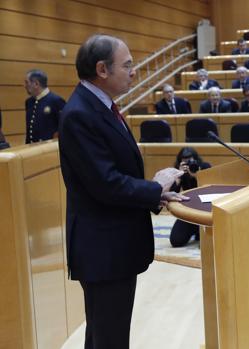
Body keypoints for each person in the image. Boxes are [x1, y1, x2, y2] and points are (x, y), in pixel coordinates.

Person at [58, 34, 187, 349]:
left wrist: (157, 194)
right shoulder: (80, 114)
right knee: (110, 338)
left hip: (111, 244)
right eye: (127, 65)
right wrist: (154, 186)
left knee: (103, 335)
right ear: (102, 70)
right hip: (103, 248)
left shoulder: (99, 105)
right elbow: (106, 183)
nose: (134, 71)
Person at [169, 147, 211, 247]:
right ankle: (196, 230)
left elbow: (211, 189)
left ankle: (199, 231)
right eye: (185, 162)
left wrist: (197, 176)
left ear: (196, 159)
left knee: (206, 245)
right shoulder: (180, 172)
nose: (189, 165)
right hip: (189, 211)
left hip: (205, 211)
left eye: (190, 161)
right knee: (176, 241)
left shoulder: (205, 167)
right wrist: (178, 176)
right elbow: (172, 194)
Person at [24, 69, 66, 144]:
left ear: (36, 84)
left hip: (48, 149)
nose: (25, 86)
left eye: (27, 83)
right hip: (30, 148)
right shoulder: (29, 102)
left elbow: (64, 127)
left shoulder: (56, 101)